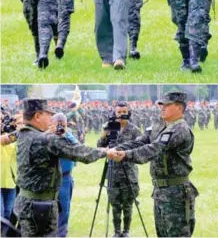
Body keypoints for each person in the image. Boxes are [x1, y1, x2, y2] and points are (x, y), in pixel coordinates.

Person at [13, 98, 119, 237]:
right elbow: (79, 152)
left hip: (25, 202)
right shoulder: (47, 140)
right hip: (41, 207)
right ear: (38, 116)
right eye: (48, 115)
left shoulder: (23, 134)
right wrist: (105, 151)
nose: (51, 119)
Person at [111, 91, 199, 237]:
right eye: (161, 105)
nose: (162, 108)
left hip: (176, 192)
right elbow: (142, 140)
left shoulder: (180, 129)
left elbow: (154, 148)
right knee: (162, 233)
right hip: (161, 191)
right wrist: (118, 148)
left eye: (166, 105)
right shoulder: (160, 124)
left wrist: (125, 155)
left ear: (179, 107)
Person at [97, 101, 142, 238]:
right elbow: (100, 146)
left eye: (124, 112)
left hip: (129, 172)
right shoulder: (111, 128)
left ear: (128, 112)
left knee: (128, 204)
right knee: (115, 204)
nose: (122, 115)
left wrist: (125, 154)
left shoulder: (134, 130)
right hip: (112, 172)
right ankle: (117, 232)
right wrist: (104, 134)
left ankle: (126, 231)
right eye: (119, 112)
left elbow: (140, 149)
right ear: (114, 113)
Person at [49, 113, 78, 238]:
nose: (60, 127)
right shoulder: (46, 135)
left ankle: (61, 234)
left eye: (63, 125)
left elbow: (78, 147)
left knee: (64, 208)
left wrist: (66, 134)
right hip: (50, 178)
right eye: (58, 125)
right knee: (48, 207)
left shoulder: (69, 136)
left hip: (65, 178)